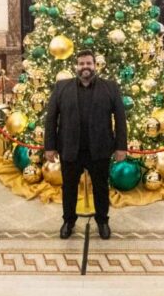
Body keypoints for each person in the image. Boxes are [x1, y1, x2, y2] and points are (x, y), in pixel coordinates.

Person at [44, 50, 127, 240]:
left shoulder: (110, 87)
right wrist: (49, 146)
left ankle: (102, 221)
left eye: (89, 63)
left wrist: (121, 146)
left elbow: (120, 118)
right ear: (76, 66)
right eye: (81, 64)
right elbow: (51, 119)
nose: (85, 67)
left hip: (100, 149)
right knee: (69, 188)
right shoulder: (61, 87)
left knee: (101, 188)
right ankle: (68, 221)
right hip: (70, 148)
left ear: (95, 65)